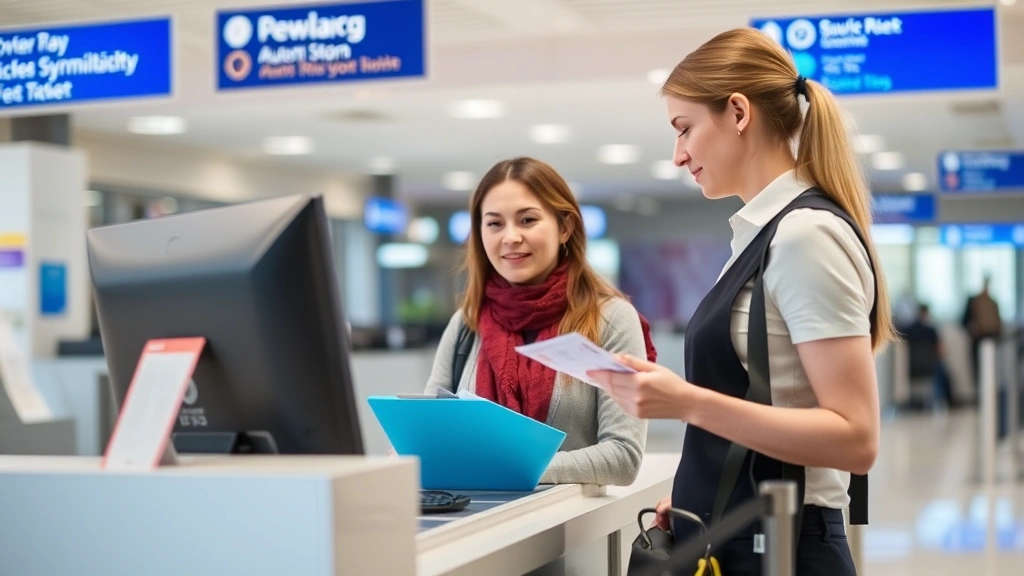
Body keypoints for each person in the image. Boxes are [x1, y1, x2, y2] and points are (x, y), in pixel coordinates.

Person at [589, 28, 896, 574]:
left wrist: (683, 402)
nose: (679, 155)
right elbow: (770, 399)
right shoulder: (759, 235)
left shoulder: (805, 235)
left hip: (790, 545)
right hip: (749, 531)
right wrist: (705, 497)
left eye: (685, 129)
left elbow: (856, 438)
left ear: (737, 112)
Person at [423, 156, 657, 486]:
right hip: (474, 525)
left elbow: (623, 456)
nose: (511, 237)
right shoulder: (467, 324)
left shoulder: (611, 319)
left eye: (527, 220)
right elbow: (428, 434)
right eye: (494, 224)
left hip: (569, 532)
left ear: (565, 227)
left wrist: (507, 469)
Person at [902, 304, 955, 410]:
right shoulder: (931, 330)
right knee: (943, 371)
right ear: (926, 313)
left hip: (913, 365)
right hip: (928, 365)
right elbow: (940, 349)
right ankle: (947, 400)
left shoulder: (909, 329)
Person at [961, 275, 1002, 391]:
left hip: (992, 340)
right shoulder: (974, 301)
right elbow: (964, 321)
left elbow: (998, 322)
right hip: (978, 340)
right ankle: (979, 394)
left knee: (991, 371)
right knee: (977, 370)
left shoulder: (993, 302)